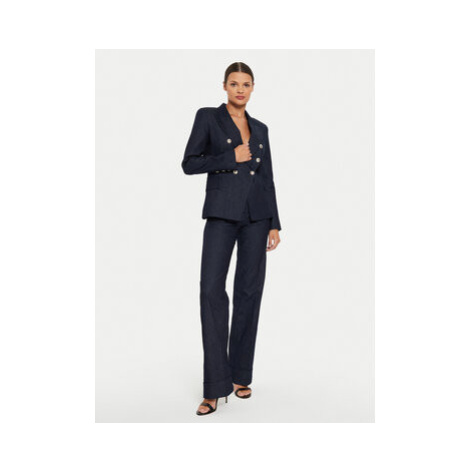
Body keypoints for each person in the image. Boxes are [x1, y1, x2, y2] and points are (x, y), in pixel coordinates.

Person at [181, 62, 282, 416]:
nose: (240, 90)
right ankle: (214, 387)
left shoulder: (261, 128)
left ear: (253, 88)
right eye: (235, 84)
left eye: (246, 84)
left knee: (249, 293)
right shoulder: (208, 117)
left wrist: (274, 223)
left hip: (257, 217)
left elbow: (267, 177)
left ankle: (240, 375)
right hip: (222, 214)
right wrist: (230, 157)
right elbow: (189, 163)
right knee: (211, 290)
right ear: (224, 86)